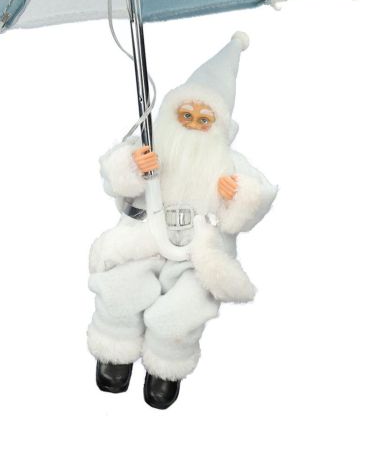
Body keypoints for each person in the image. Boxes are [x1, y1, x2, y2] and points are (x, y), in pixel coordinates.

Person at [87, 32, 277, 409]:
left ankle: (166, 364)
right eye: (185, 116)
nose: (192, 125)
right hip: (143, 240)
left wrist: (237, 195)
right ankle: (114, 347)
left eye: (203, 120)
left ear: (219, 126)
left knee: (185, 308)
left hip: (194, 252)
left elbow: (259, 198)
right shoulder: (149, 146)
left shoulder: (229, 163)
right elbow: (113, 179)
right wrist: (132, 167)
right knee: (120, 288)